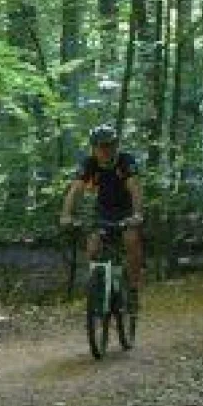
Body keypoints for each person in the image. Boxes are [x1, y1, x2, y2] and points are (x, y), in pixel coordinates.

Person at [60, 124, 144, 311]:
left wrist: (137, 214)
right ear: (93, 148)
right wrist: (66, 215)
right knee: (93, 247)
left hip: (127, 209)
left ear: (116, 145)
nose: (104, 150)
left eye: (109, 145)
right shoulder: (89, 163)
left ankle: (132, 290)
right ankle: (100, 290)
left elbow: (135, 188)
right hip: (103, 210)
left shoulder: (125, 161)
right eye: (100, 146)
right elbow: (75, 190)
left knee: (131, 240)